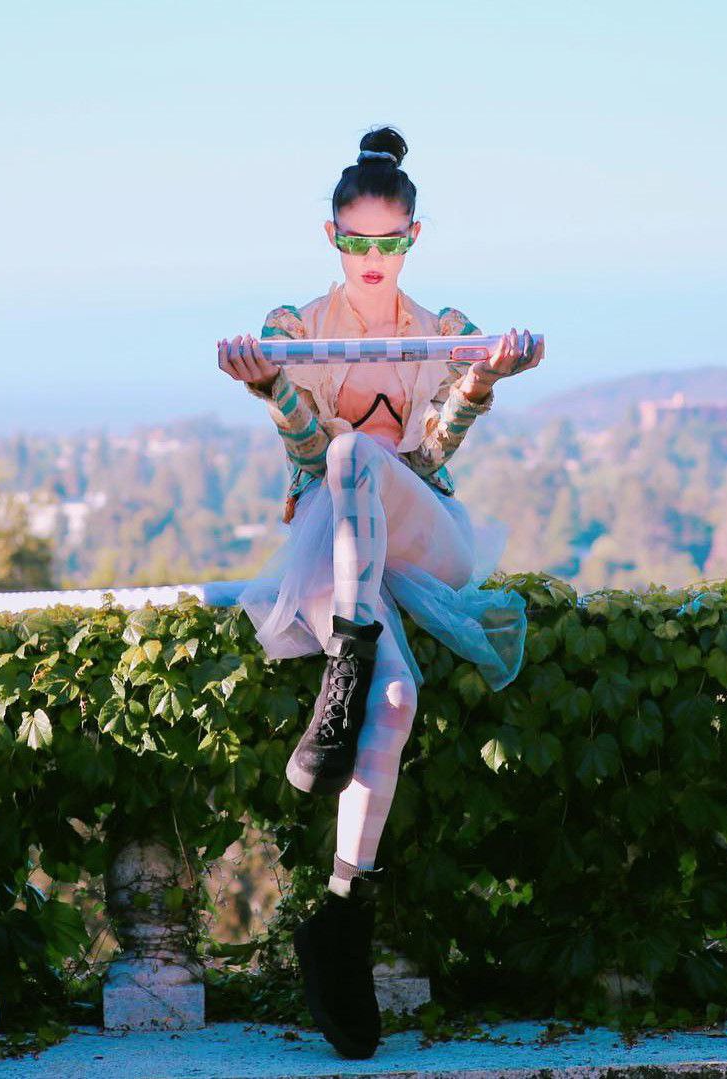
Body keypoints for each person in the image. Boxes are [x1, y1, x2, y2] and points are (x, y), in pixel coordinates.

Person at [217, 125, 542, 1060]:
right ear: (332, 237)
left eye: (389, 241)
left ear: (413, 237)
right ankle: (340, 913)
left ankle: (343, 665)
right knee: (394, 700)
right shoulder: (295, 329)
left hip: (417, 525)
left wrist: (481, 378)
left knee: (368, 453)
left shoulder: (444, 331)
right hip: (332, 530)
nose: (372, 257)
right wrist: (275, 389)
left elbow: (431, 456)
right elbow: (307, 453)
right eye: (356, 241)